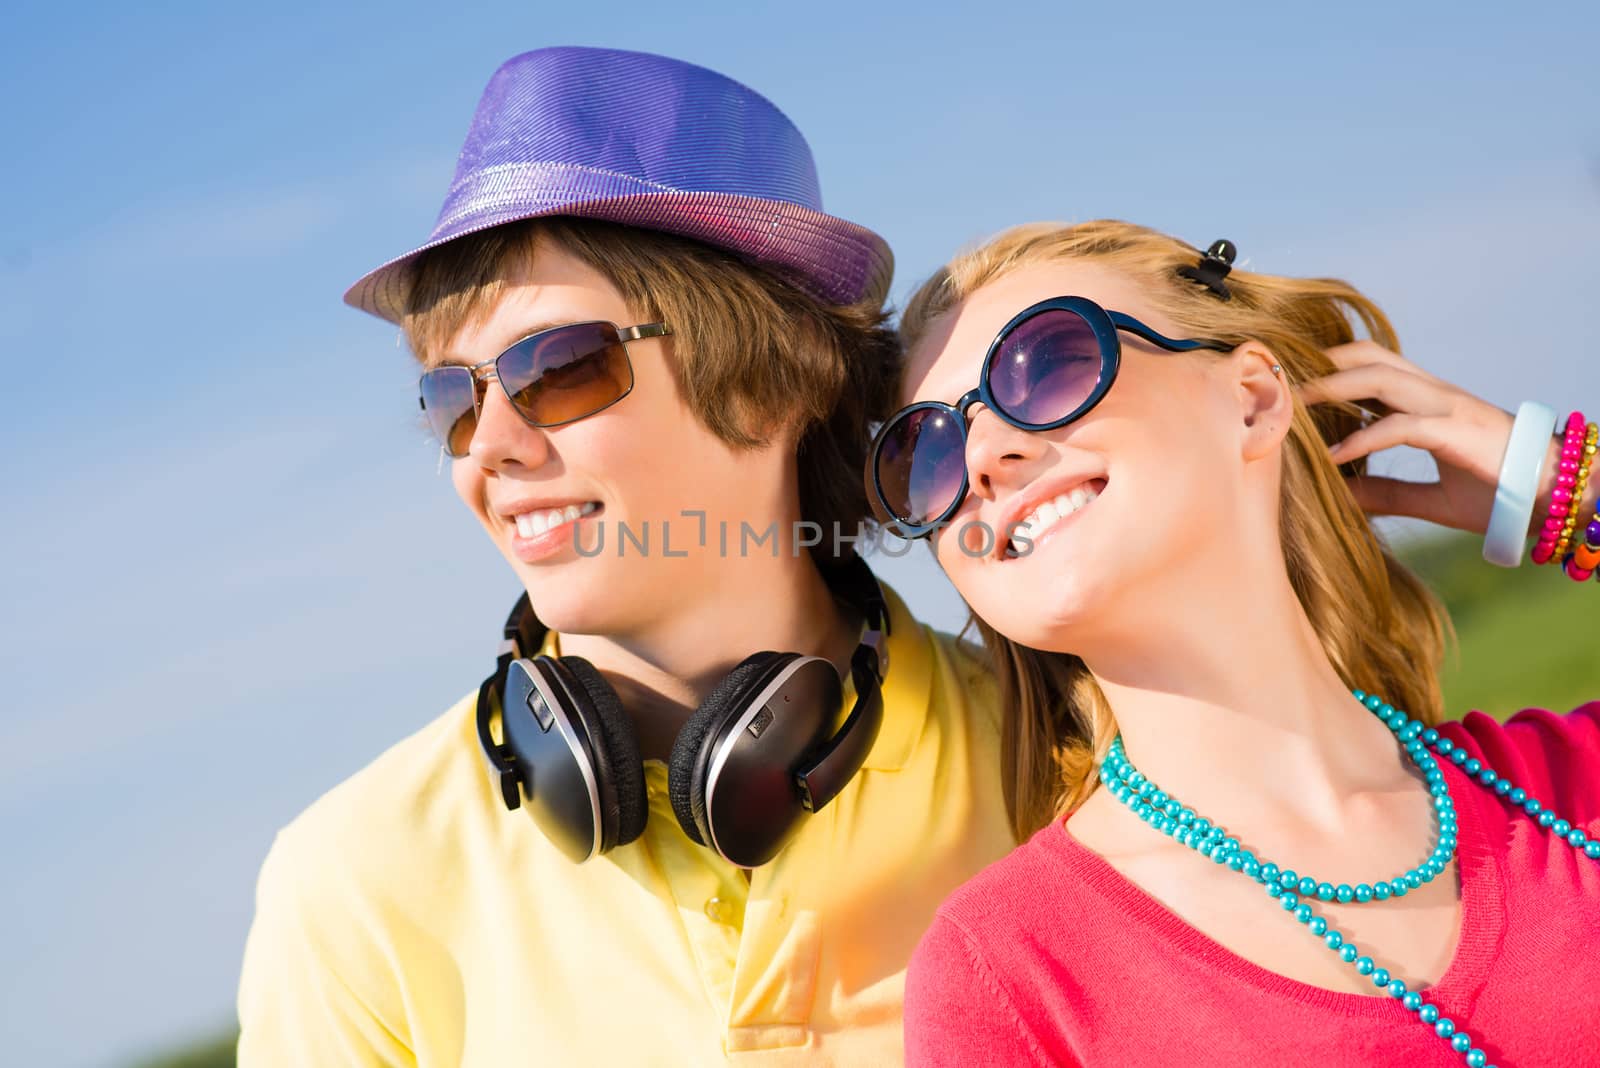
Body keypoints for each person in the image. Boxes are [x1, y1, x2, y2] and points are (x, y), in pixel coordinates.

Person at [236, 48, 1016, 1065]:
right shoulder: (354, 880)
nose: (493, 445)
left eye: (556, 367)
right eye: (451, 399)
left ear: (774, 379)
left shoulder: (1061, 754)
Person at [874, 220, 1600, 1065]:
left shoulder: (1567, 787)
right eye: (927, 453)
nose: (985, 455)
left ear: (1252, 399)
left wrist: (1561, 485)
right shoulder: (1010, 977)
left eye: (1050, 366)